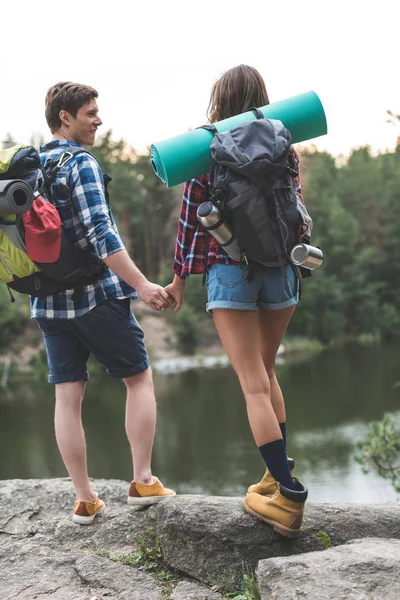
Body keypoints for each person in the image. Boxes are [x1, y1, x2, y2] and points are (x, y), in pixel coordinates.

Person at [165, 65, 308, 538]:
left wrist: (179, 282)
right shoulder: (282, 142)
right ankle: (274, 475)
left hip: (231, 274)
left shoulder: (205, 150)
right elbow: (296, 210)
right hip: (282, 269)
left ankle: (287, 496)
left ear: (219, 102)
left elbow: (189, 222)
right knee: (267, 374)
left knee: (252, 384)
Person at [34, 82, 175, 525]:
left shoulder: (29, 168)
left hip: (47, 303)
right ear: (65, 117)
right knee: (138, 380)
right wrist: (140, 285)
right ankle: (143, 481)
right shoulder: (80, 164)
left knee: (67, 396)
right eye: (90, 113)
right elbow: (101, 233)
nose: (98, 119)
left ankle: (85, 499)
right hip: (96, 298)